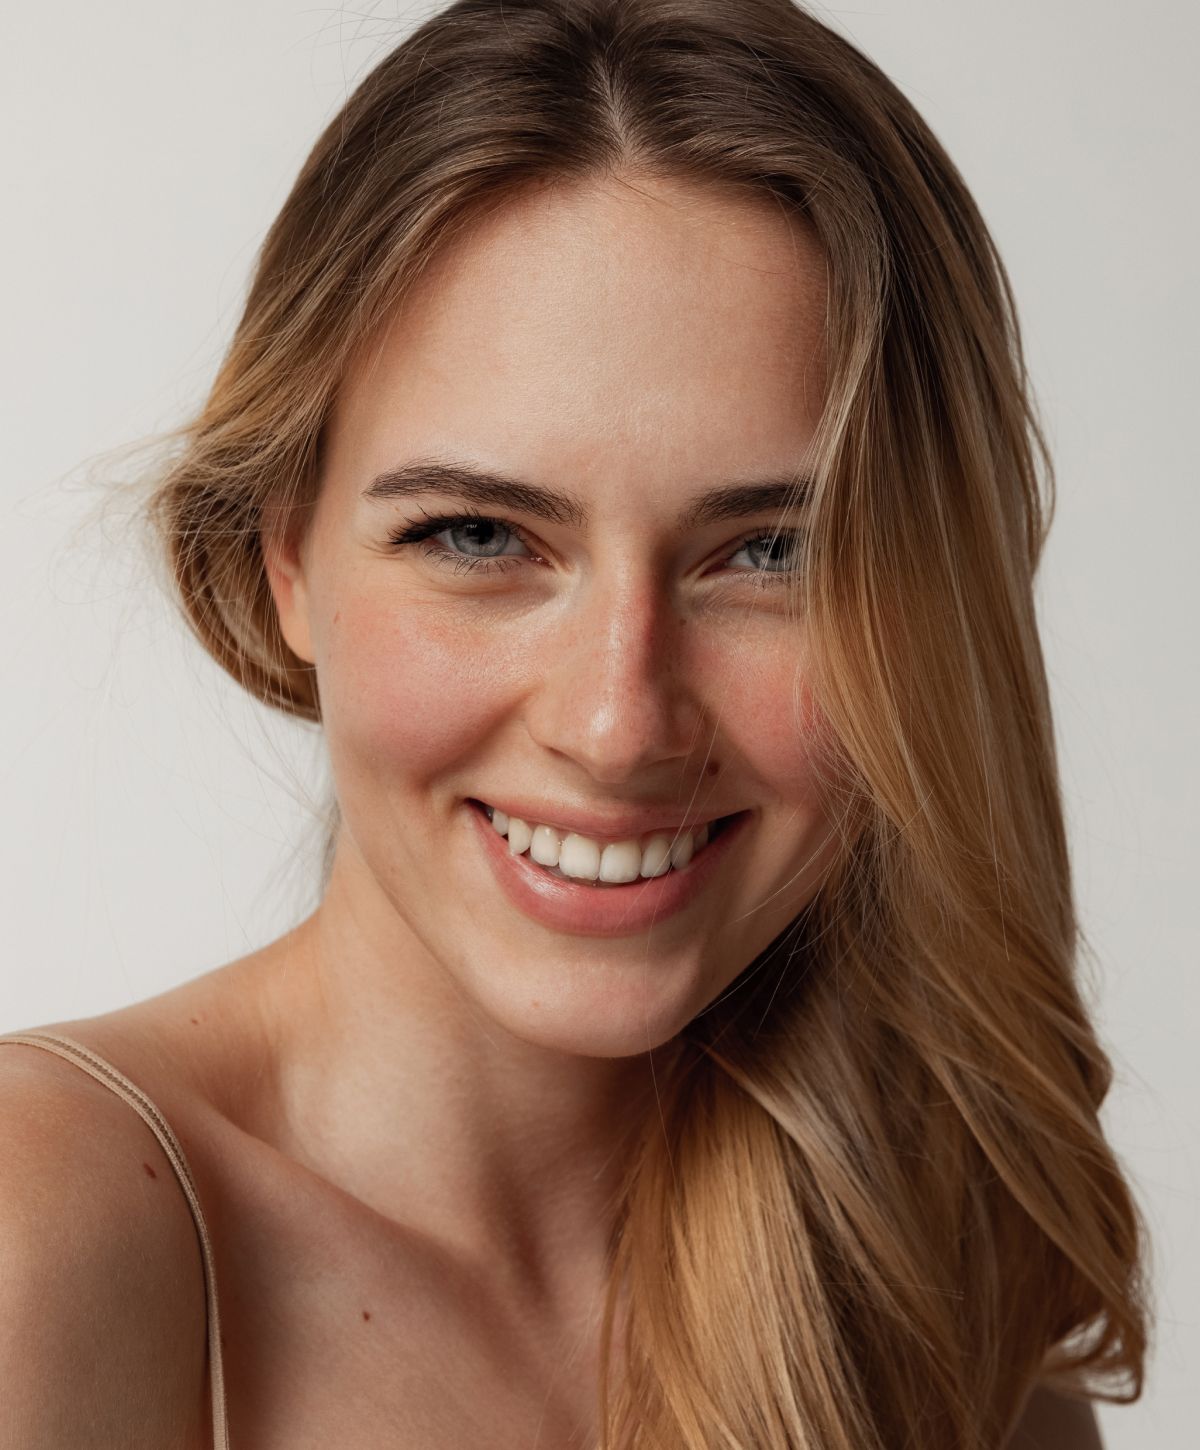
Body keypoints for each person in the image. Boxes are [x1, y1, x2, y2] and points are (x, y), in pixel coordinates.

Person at [0, 1, 1150, 1446]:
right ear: (285, 553)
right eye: (479, 535)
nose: (617, 725)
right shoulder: (45, 1228)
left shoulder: (938, 1289)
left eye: (773, 552)